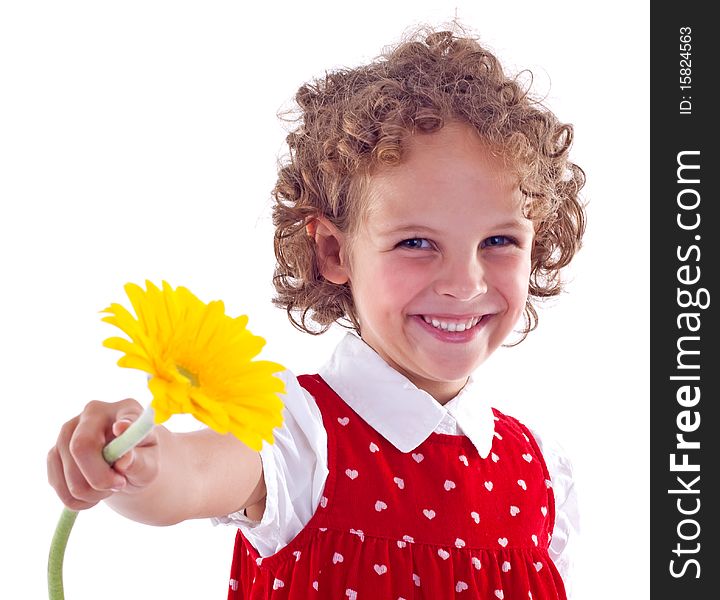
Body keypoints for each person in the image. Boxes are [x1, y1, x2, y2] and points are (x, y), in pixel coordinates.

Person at [48, 24, 585, 599]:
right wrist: (140, 462)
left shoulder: (540, 472)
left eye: (499, 242)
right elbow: (200, 472)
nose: (463, 282)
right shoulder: (300, 433)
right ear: (334, 250)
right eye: (415, 243)